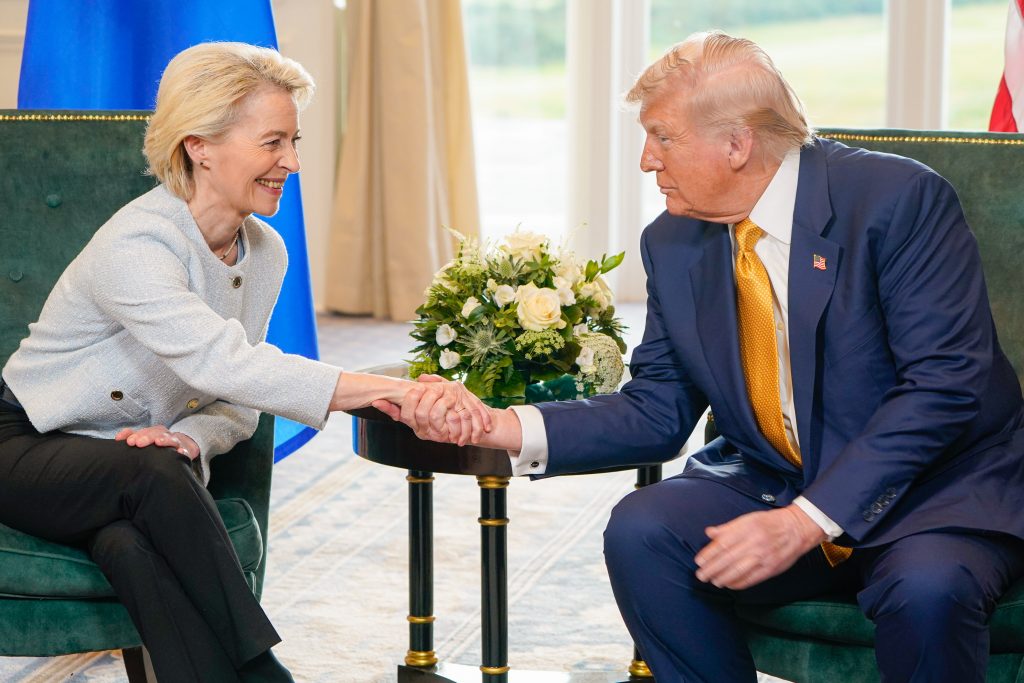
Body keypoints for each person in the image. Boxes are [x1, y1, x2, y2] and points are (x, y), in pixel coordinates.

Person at [382, 31, 1024, 682]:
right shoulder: (674, 240)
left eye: (661, 136)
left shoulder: (896, 200)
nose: (645, 161)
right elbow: (657, 408)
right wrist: (501, 425)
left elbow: (943, 386)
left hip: (932, 490)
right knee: (644, 530)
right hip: (780, 477)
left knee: (928, 589)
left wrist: (803, 522)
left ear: (737, 144)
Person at [0, 42, 487, 683]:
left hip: (129, 462)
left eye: (293, 141)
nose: (292, 162)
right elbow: (222, 361)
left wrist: (188, 436)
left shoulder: (265, 251)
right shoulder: (139, 241)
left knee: (131, 543)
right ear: (199, 144)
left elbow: (236, 400)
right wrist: (380, 390)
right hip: (26, 446)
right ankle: (262, 670)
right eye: (272, 143)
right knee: (151, 476)